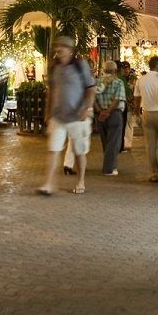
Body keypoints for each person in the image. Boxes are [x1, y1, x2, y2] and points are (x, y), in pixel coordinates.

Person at [38, 35, 97, 196]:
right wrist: (47, 112)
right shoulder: (54, 67)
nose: (59, 50)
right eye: (58, 47)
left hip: (77, 116)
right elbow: (51, 91)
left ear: (70, 50)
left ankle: (81, 181)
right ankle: (48, 183)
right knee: (53, 149)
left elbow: (91, 89)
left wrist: (86, 107)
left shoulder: (81, 65)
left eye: (63, 48)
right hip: (58, 116)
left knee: (79, 151)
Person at [95, 61, 127, 176]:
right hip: (114, 114)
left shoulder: (97, 83)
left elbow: (93, 99)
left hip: (101, 115)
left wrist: (100, 111)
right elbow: (117, 99)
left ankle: (110, 164)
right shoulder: (118, 82)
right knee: (113, 143)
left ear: (103, 70)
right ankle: (109, 168)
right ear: (115, 71)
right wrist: (108, 111)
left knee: (105, 141)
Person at [119, 61, 137, 152]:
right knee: (122, 124)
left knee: (129, 124)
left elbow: (135, 91)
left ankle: (128, 144)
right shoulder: (119, 78)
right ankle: (122, 143)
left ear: (129, 69)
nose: (125, 70)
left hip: (130, 105)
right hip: (121, 105)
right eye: (123, 68)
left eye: (127, 68)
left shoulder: (133, 78)